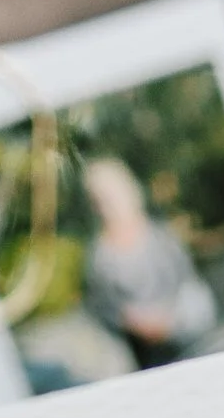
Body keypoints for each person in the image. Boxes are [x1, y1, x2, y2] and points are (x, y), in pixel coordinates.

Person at [81, 156, 216, 368]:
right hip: (146, 361)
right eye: (99, 199)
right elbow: (100, 309)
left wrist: (169, 322)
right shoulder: (98, 258)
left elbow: (191, 286)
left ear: (130, 189)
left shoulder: (164, 238)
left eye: (113, 194)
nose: (109, 204)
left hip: (191, 348)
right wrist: (130, 322)